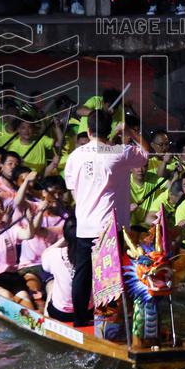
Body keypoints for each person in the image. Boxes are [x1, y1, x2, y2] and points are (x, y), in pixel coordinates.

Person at [64, 109, 149, 327]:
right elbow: (146, 153)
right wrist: (130, 131)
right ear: (109, 129)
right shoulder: (121, 153)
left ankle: (80, 319)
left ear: (89, 130)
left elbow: (72, 189)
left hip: (85, 224)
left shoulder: (75, 156)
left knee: (83, 274)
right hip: (111, 227)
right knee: (112, 274)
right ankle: (108, 322)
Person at [41, 215, 79, 321]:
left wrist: (64, 239)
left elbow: (44, 259)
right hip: (87, 312)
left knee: (52, 284)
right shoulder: (94, 253)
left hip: (61, 313)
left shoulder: (54, 254)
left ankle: (46, 320)